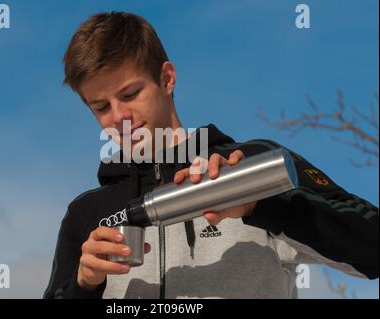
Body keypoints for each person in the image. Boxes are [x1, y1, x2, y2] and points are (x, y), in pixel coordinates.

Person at [43, 11, 378, 299]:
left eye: (129, 94)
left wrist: (259, 205)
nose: (118, 117)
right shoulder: (86, 213)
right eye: (101, 107)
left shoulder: (253, 166)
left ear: (167, 78)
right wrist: (83, 286)